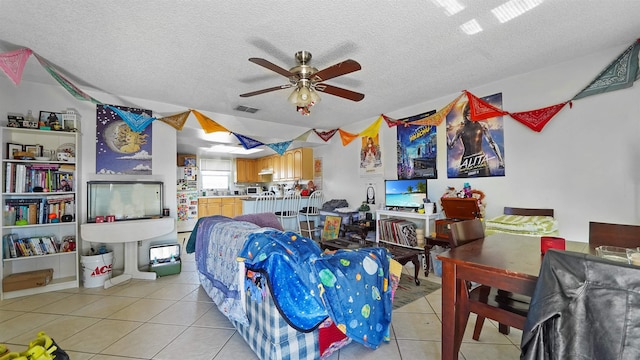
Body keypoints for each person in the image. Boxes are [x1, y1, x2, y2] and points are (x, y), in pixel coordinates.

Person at [447, 103, 504, 177]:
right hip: (466, 160)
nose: (470, 116)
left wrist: (500, 160)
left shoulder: (482, 125)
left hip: (480, 158)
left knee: (486, 180)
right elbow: (450, 146)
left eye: (472, 113)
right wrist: (446, 134)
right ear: (465, 114)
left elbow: (492, 143)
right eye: (468, 114)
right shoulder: (460, 129)